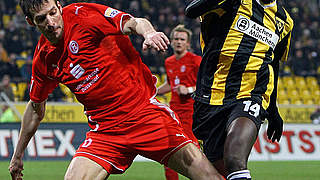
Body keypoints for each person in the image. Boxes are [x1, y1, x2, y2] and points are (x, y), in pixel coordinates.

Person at [9, 0, 224, 180]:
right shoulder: (44, 58)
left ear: (59, 5)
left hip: (144, 115)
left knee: (207, 176)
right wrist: (18, 155)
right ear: (30, 22)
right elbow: (36, 107)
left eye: (53, 13)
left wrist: (148, 34)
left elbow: (134, 23)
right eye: (41, 19)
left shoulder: (83, 15)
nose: (50, 23)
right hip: (106, 132)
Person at [185, 0, 293, 179]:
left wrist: (273, 110)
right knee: (216, 172)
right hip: (211, 95)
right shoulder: (236, 2)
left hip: (251, 94)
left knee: (235, 159)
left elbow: (273, 61)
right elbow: (191, 10)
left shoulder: (285, 20)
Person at [158, 24, 202, 180]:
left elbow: (208, 85)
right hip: (173, 112)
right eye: (176, 39)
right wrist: (153, 91)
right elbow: (170, 84)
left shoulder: (196, 61)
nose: (178, 42)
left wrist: (189, 89)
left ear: (188, 43)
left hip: (190, 112)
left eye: (182, 39)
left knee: (193, 152)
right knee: (168, 150)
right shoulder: (169, 61)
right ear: (171, 42)